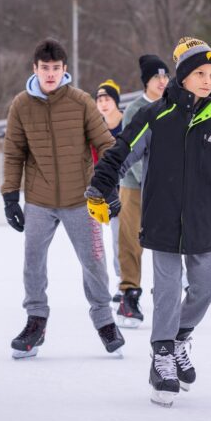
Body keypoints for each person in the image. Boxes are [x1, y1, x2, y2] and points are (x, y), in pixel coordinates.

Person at [85, 36, 211, 408]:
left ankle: (178, 338)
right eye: (199, 73)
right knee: (165, 295)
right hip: (162, 220)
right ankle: (161, 357)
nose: (208, 80)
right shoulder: (155, 117)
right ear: (182, 77)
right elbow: (121, 153)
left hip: (202, 224)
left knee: (206, 289)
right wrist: (99, 189)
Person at [1, 38, 125, 359]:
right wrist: (10, 197)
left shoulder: (81, 102)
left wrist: (109, 189)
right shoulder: (21, 105)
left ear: (64, 69)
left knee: (94, 261)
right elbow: (13, 154)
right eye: (45, 68)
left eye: (56, 68)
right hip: (39, 200)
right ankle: (36, 321)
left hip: (81, 198)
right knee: (33, 263)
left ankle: (104, 320)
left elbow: (107, 146)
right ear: (35, 69)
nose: (51, 74)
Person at [115, 56, 170, 326]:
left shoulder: (173, 106)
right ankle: (129, 293)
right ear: (146, 82)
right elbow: (130, 152)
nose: (162, 82)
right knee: (131, 241)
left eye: (165, 77)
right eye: (156, 78)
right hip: (135, 187)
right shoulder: (134, 109)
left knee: (168, 242)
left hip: (167, 188)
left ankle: (169, 291)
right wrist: (150, 183)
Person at [93, 79, 126, 303]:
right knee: (118, 239)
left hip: (134, 186)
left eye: (107, 99)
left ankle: (178, 278)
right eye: (100, 100)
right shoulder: (96, 128)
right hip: (111, 191)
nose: (103, 103)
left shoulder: (129, 122)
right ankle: (125, 284)